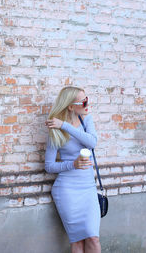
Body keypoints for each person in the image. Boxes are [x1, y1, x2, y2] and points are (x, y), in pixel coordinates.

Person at [44, 86, 101, 253]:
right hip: (67, 190)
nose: (87, 103)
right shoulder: (55, 130)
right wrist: (72, 164)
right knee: (77, 242)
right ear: (70, 106)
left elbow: (92, 143)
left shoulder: (86, 119)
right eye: (83, 101)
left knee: (93, 238)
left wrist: (65, 126)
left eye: (87, 98)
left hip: (88, 188)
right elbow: (49, 166)